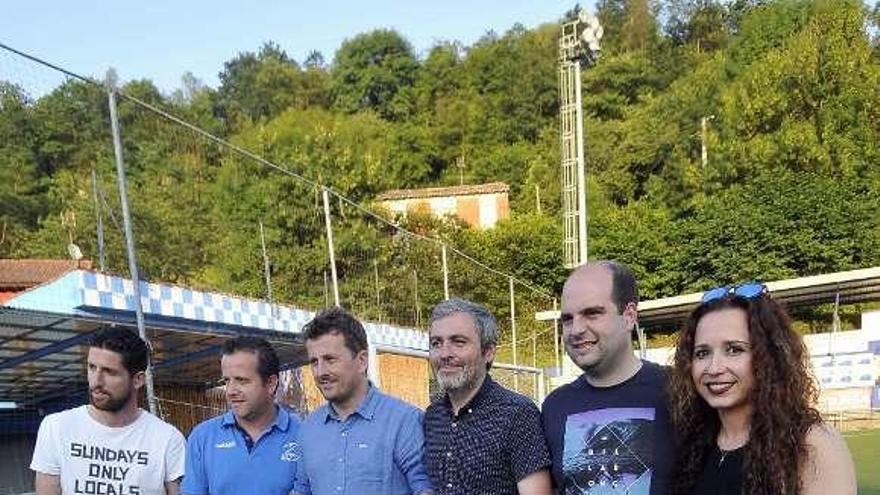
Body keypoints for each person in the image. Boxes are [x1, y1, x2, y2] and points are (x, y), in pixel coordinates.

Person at [668, 282, 857, 495]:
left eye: (734, 349)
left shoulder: (813, 444)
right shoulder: (693, 447)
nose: (714, 368)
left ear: (768, 356)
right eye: (702, 353)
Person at [541, 261, 673, 495]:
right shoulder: (553, 406)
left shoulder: (678, 391)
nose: (576, 330)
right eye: (568, 319)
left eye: (592, 313)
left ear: (629, 316)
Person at [292, 307, 432, 495]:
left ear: (362, 361)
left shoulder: (404, 421)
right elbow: (302, 490)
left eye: (330, 359)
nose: (320, 372)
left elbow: (424, 488)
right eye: (314, 362)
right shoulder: (309, 428)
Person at [30, 327, 185, 495]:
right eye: (91, 367)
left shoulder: (168, 439)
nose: (96, 381)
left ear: (138, 380)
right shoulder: (56, 427)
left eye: (109, 372)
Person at [424, 298, 553, 495]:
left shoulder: (517, 414)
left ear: (488, 352)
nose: (444, 354)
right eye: (436, 343)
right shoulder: (433, 417)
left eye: (458, 342)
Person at [181, 336, 300, 495]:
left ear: (271, 383)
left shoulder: (305, 435)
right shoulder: (203, 437)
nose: (230, 391)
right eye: (227, 381)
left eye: (241, 380)